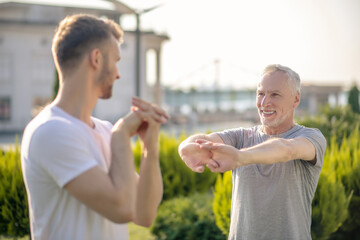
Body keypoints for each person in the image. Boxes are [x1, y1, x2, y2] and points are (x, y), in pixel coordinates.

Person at [21, 14, 169, 240]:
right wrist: (120, 136)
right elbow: (122, 210)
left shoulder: (103, 129)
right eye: (116, 61)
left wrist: (150, 148)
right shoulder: (50, 131)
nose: (118, 74)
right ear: (97, 59)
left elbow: (144, 214)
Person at [178, 64, 326, 240]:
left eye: (275, 95)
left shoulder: (311, 137)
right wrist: (186, 148)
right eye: (260, 93)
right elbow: (202, 139)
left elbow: (287, 150)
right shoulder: (240, 137)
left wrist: (240, 157)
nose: (264, 103)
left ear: (296, 99)